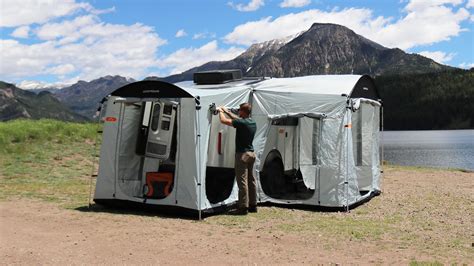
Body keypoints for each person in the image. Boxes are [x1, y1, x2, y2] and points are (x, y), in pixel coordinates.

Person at [218, 103, 257, 215]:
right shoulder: (252, 122)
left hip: (242, 155)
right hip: (251, 154)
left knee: (242, 181)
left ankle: (243, 207)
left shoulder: (241, 123)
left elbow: (223, 121)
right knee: (251, 180)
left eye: (239, 110)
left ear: (243, 112)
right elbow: (238, 119)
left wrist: (220, 111)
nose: (238, 111)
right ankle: (253, 205)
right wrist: (228, 112)